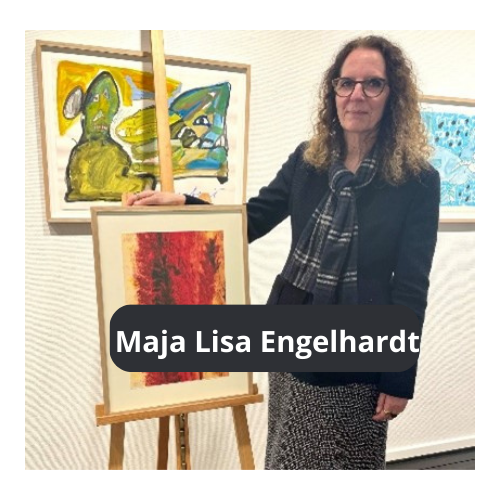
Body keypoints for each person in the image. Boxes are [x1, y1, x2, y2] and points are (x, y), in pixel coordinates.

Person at [127, 35, 440, 470]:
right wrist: (185, 203)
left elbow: (411, 285)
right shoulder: (308, 161)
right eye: (346, 83)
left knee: (346, 462)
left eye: (373, 84)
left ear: (393, 95)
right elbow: (253, 219)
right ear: (333, 91)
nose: (356, 95)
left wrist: (399, 376)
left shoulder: (416, 180)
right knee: (289, 454)